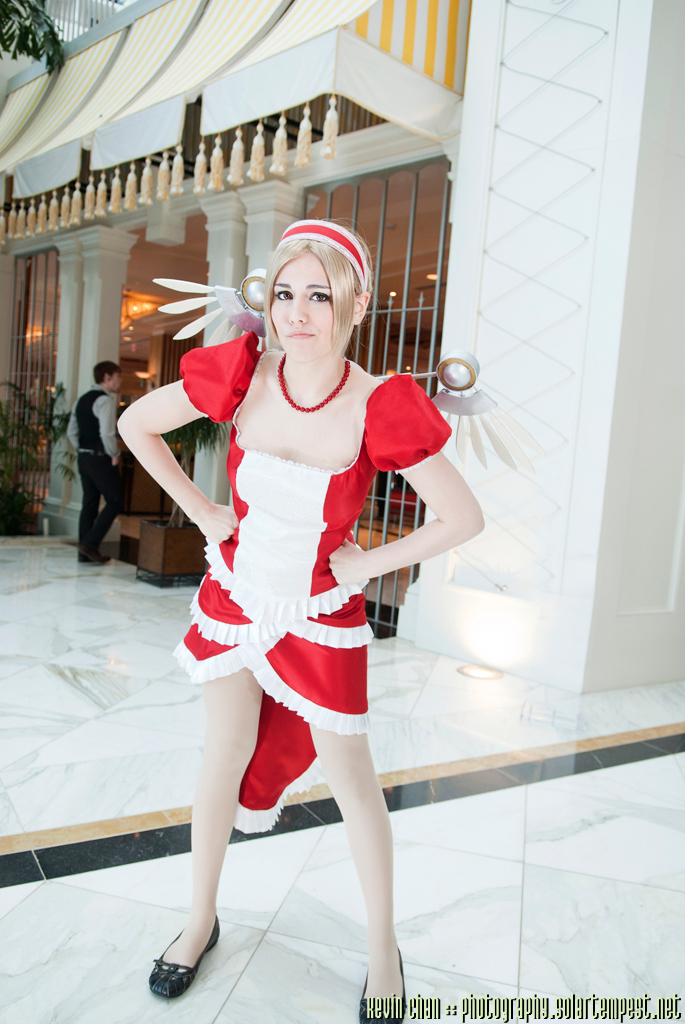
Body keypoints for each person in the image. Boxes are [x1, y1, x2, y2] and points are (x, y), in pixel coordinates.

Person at [118, 221, 484, 1022]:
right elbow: (135, 424)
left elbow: (461, 517)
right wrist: (204, 511)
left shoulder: (377, 403)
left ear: (354, 303)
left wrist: (366, 566)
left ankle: (382, 950)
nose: (296, 312)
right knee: (222, 754)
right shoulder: (243, 374)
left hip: (320, 616)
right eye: (284, 293)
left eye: (319, 295)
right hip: (235, 597)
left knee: (351, 778)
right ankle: (198, 921)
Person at [67, 360, 124, 564]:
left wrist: (82, 449)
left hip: (84, 458)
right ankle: (90, 544)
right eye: (117, 376)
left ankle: (84, 551)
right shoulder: (105, 400)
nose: (120, 380)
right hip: (100, 458)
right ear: (107, 377)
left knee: (90, 502)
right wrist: (114, 453)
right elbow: (107, 433)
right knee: (116, 500)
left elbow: (71, 431)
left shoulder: (81, 400)